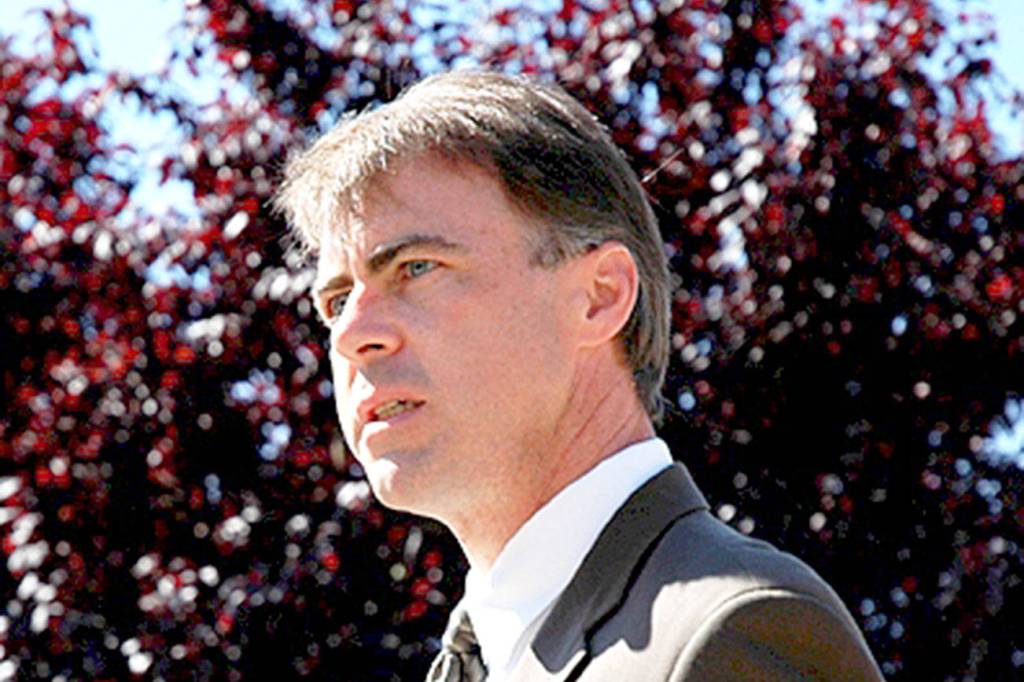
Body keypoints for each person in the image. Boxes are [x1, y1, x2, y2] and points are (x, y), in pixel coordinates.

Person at [274, 71, 884, 681]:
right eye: (336, 302)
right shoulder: (481, 660)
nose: (352, 334)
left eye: (416, 267)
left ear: (599, 296)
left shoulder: (732, 631)